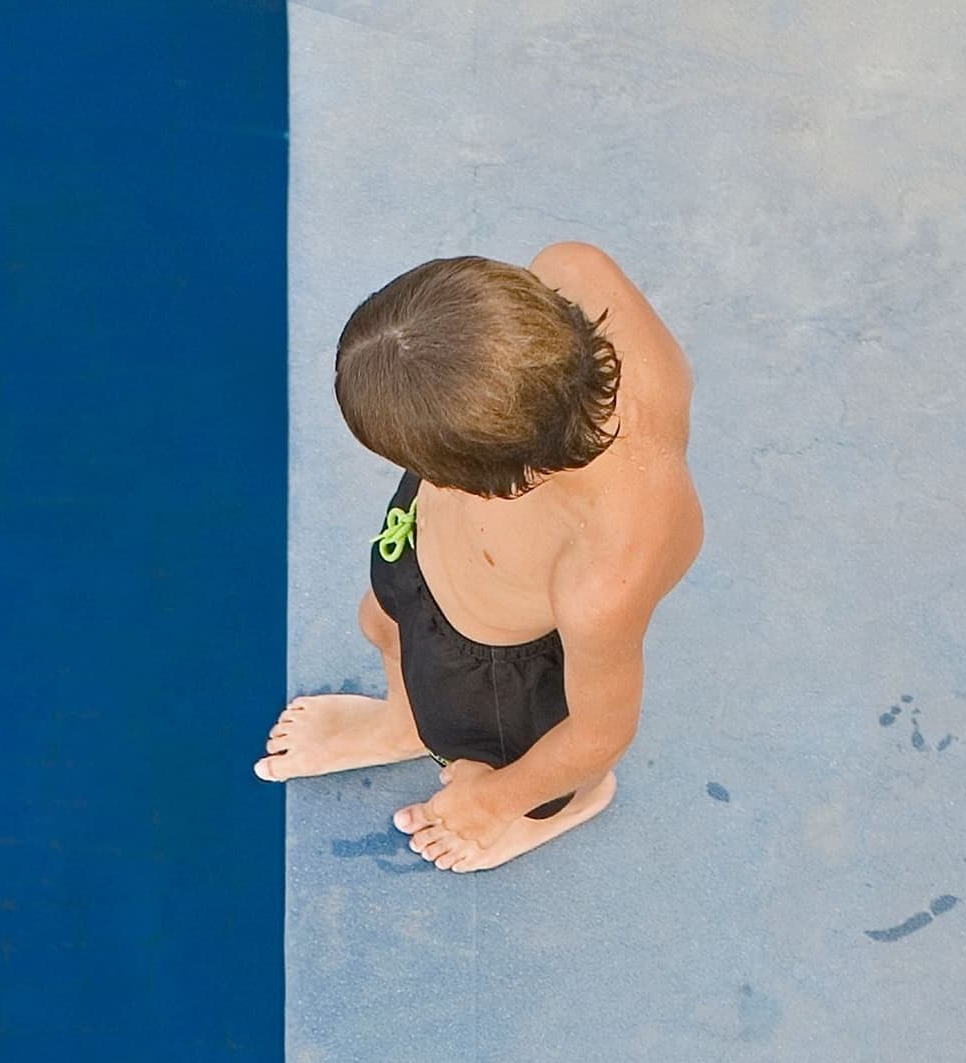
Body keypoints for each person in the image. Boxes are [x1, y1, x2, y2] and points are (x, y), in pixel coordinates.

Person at [256, 243, 703, 872]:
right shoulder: (573, 273)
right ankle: (402, 721)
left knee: (515, 758)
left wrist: (494, 800)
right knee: (383, 622)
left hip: (497, 655)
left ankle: (569, 805)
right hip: (425, 540)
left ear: (496, 481)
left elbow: (600, 733)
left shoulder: (605, 568)